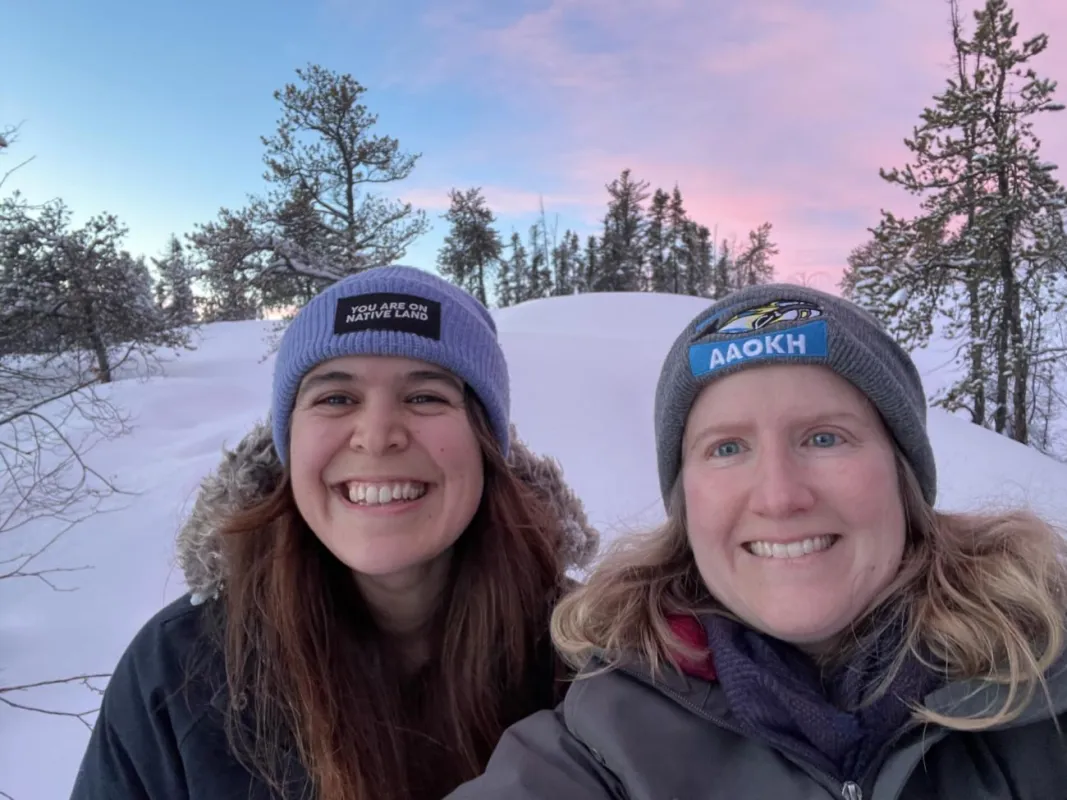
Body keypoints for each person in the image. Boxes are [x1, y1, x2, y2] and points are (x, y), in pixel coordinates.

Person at [445, 284, 1067, 800]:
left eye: (824, 438)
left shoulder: (1043, 691)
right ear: (686, 503)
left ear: (903, 477)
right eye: (728, 448)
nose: (778, 496)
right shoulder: (602, 741)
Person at [69, 265, 598, 800]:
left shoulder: (586, 661)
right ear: (288, 444)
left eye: (426, 396)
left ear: (486, 443)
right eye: (336, 398)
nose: (376, 436)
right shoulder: (180, 668)